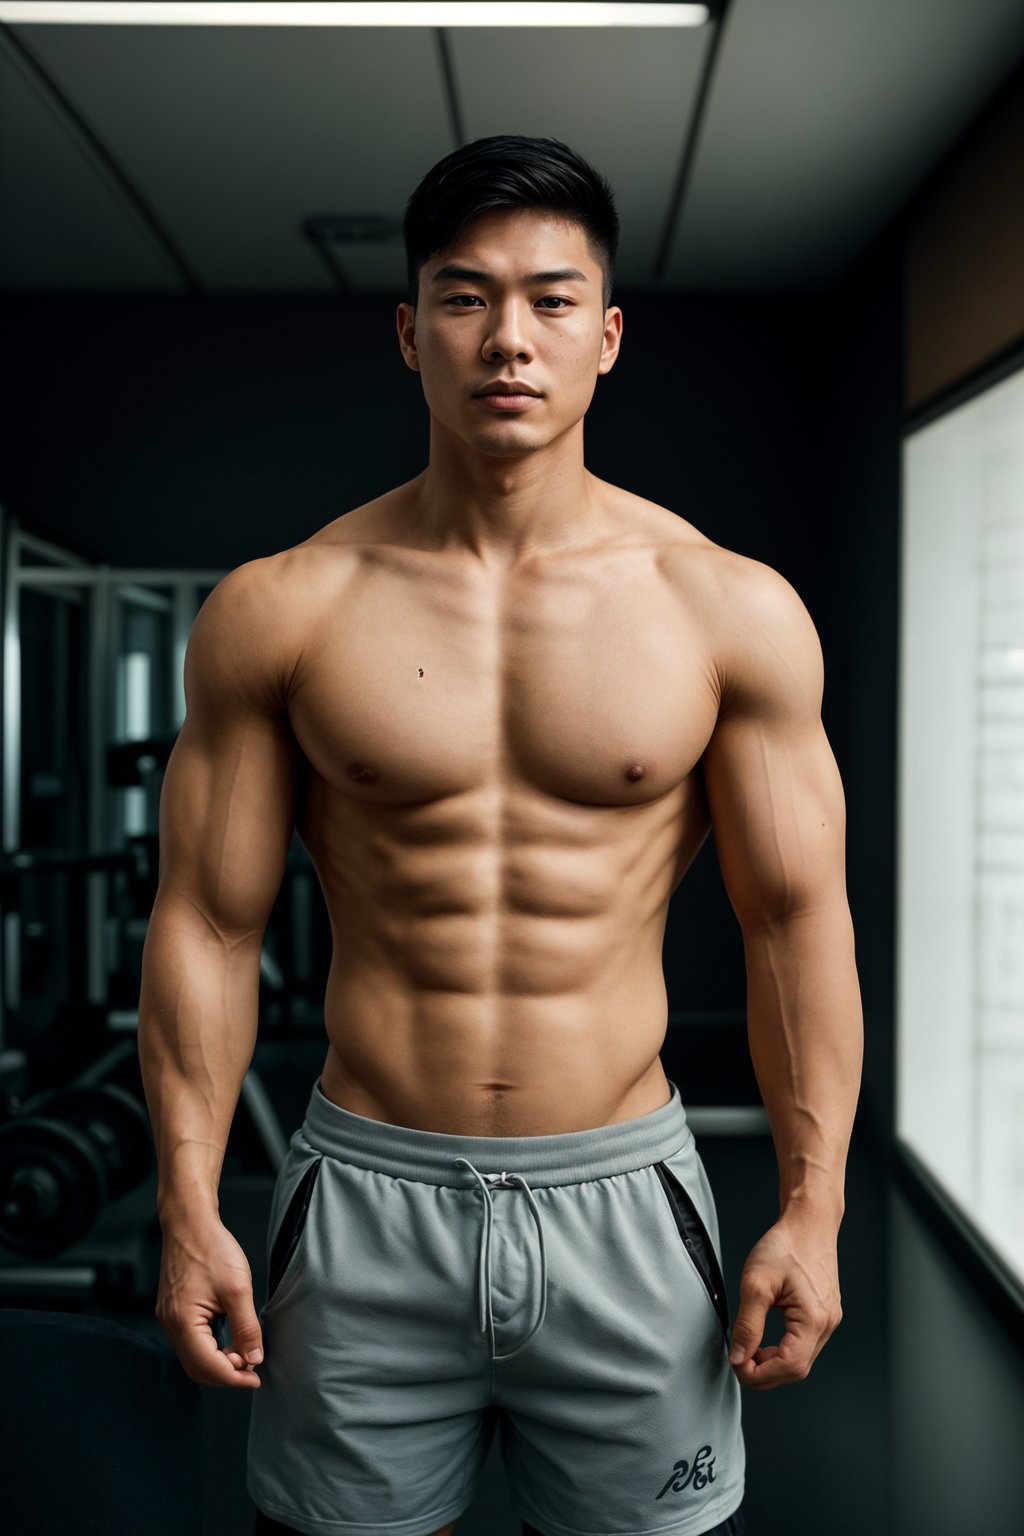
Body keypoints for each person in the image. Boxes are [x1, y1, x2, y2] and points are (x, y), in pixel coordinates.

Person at [138, 135, 863, 1536]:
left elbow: (796, 923)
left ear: (609, 334)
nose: (507, 340)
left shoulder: (728, 609)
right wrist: (184, 1203)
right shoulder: (283, 608)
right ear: (412, 334)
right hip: (359, 1198)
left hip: (625, 1200)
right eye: (465, 299)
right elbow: (209, 925)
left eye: (549, 298)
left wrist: (814, 1206)